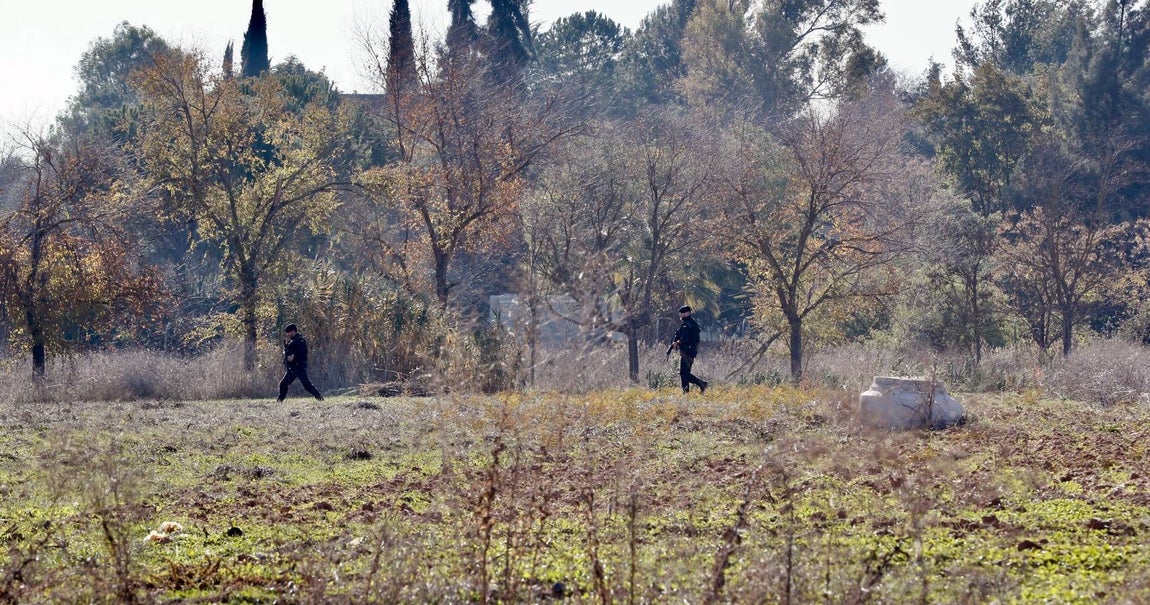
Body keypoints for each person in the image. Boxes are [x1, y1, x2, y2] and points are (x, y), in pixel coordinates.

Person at [278, 324, 324, 402]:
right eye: (288, 333)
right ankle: (280, 401)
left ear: (295, 331)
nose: (289, 334)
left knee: (307, 385)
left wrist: (294, 356)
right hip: (292, 368)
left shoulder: (300, 341)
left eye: (290, 332)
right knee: (283, 384)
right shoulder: (291, 342)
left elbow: (303, 353)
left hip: (299, 367)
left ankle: (319, 398)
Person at [671, 305, 708, 394]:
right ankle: (687, 392)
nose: (681, 315)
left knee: (684, 373)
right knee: (685, 373)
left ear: (687, 313)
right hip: (690, 351)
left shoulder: (687, 324)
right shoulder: (690, 323)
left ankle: (701, 384)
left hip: (688, 351)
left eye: (682, 313)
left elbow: (685, 338)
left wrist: (677, 342)